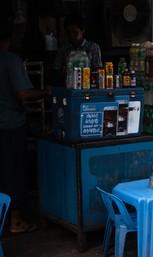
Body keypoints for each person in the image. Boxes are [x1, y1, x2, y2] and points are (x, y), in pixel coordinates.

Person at [0, 22, 51, 233]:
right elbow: (23, 94)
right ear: (9, 39)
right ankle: (15, 221)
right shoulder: (11, 60)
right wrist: (46, 92)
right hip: (10, 125)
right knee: (14, 172)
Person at [51, 13, 103, 86]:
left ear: (82, 30)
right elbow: (56, 69)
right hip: (68, 85)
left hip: (88, 85)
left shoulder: (93, 47)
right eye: (68, 33)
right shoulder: (63, 48)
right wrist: (63, 71)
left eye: (75, 32)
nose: (71, 36)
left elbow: (98, 70)